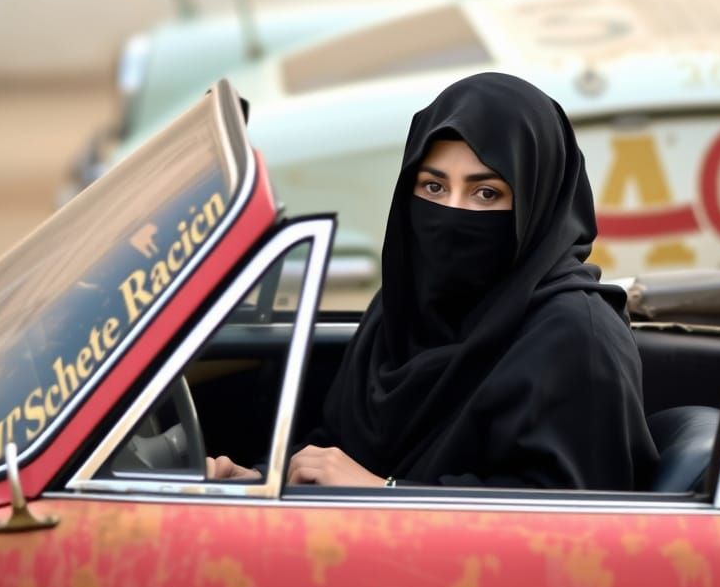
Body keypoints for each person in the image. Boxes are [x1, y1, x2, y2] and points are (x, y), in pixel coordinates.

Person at [208, 72, 657, 490]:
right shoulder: (399, 310)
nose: (452, 213)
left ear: (537, 206)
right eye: (434, 188)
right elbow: (336, 452)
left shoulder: (578, 340)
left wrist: (382, 494)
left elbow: (568, 533)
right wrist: (261, 482)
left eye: (486, 193)